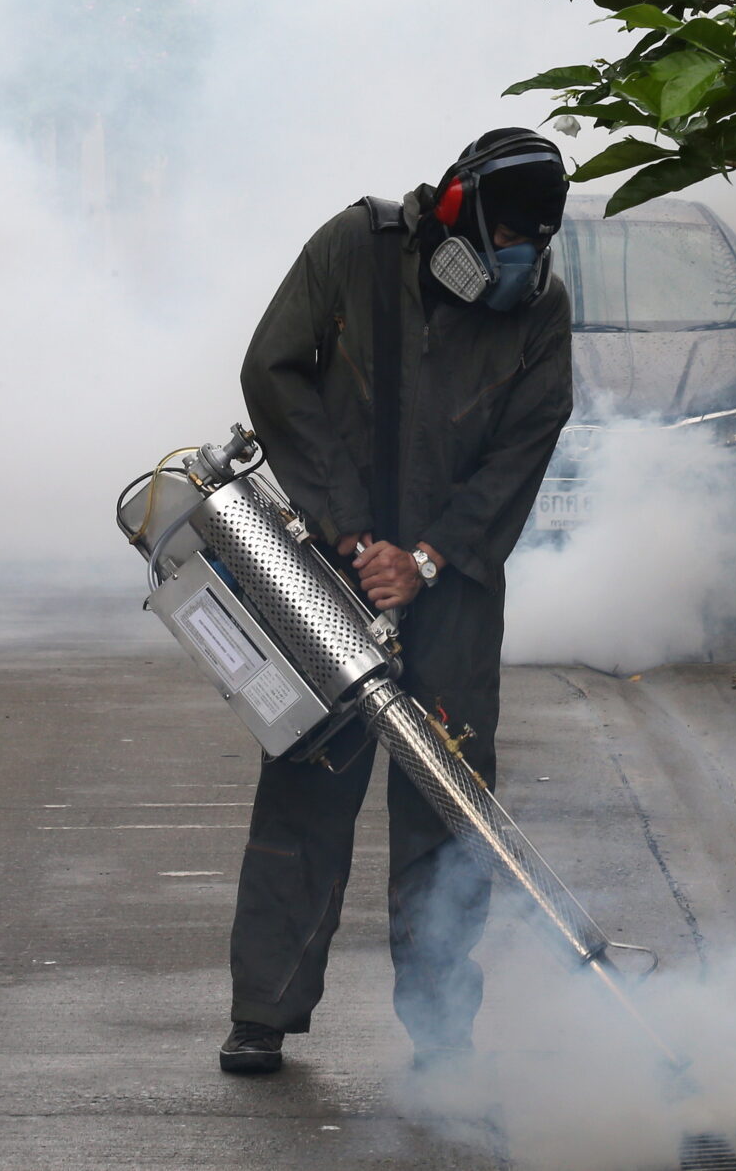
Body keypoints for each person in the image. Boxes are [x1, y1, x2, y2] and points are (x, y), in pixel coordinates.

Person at [217, 128, 574, 1076]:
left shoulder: (541, 312)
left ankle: (443, 1029)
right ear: (455, 211)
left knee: (447, 805)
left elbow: (523, 449)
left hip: (452, 584)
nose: (513, 265)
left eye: (532, 249)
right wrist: (346, 530)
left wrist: (429, 556)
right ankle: (264, 1012)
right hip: (329, 571)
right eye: (502, 240)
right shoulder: (356, 251)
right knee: (307, 787)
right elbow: (272, 370)